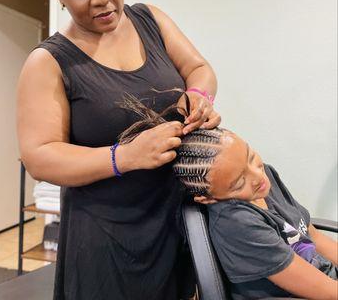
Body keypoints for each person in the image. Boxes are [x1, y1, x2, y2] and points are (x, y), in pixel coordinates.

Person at [16, 0, 221, 300]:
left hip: (175, 220)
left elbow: (199, 69)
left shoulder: (151, 20)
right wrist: (123, 157)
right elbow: (40, 157)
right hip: (107, 239)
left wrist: (199, 98)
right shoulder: (48, 62)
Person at [118, 98, 338, 300]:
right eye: (238, 183)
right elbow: (328, 293)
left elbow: (313, 235)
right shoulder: (238, 223)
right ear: (207, 198)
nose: (256, 176)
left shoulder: (265, 176)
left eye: (251, 157)